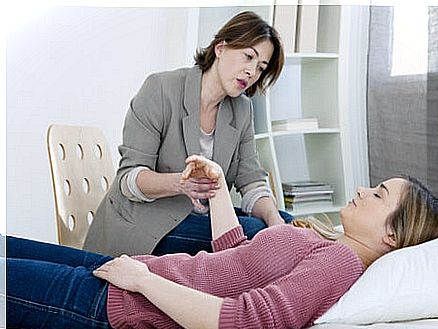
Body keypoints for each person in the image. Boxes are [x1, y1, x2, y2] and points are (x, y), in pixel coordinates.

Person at [7, 155, 438, 329]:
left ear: (393, 236)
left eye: (378, 194)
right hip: (125, 273)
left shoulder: (339, 266)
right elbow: (233, 256)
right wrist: (220, 186)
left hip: (117, 300)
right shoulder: (327, 243)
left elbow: (240, 318)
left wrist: (144, 282)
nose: (363, 190)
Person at [83, 11, 291, 257]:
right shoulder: (160, 89)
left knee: (284, 225)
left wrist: (275, 221)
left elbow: (251, 180)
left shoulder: (242, 110)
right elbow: (129, 179)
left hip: (199, 219)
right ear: (220, 48)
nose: (251, 72)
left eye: (260, 67)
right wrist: (181, 183)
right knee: (255, 234)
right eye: (248, 57)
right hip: (145, 222)